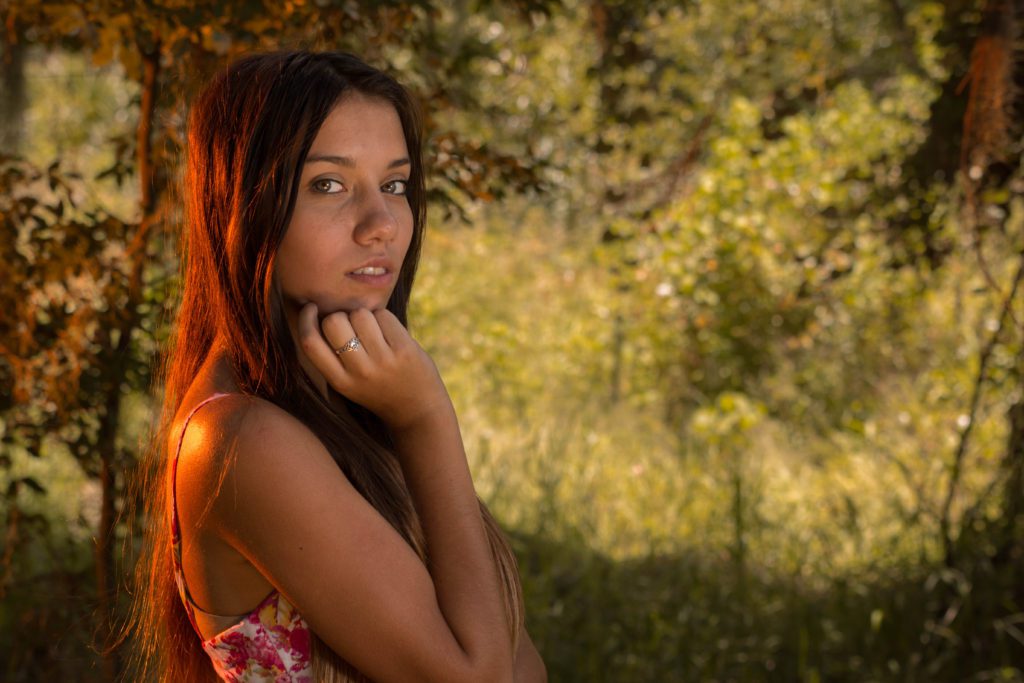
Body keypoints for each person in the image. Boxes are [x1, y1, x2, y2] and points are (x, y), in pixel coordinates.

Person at [127, 51, 546, 682]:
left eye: (395, 185)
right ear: (247, 206)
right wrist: (427, 417)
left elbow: (521, 667)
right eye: (329, 184)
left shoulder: (336, 412)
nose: (381, 225)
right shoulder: (243, 438)